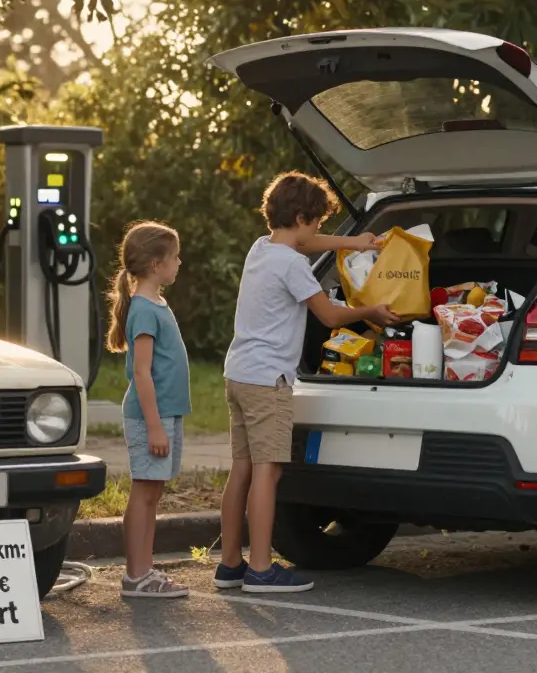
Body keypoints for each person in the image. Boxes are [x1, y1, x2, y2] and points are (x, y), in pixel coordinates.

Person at [216, 171, 399, 594]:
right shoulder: (294, 265)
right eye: (316, 221)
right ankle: (261, 569)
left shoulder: (261, 249)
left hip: (238, 372)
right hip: (268, 381)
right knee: (269, 471)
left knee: (240, 469)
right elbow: (330, 317)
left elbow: (305, 242)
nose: (317, 230)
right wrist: (371, 309)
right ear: (301, 216)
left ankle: (230, 565)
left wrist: (354, 243)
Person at [106, 220, 192, 598]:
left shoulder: (155, 302)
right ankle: (136, 575)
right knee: (144, 492)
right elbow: (141, 372)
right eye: (174, 256)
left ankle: (144, 570)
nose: (179, 262)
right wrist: (155, 427)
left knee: (152, 492)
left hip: (164, 414)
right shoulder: (143, 309)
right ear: (156, 264)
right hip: (149, 418)